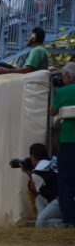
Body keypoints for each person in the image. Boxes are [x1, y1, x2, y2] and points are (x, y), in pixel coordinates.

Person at [51, 62, 75, 227]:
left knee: (66, 181)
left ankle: (69, 219)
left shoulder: (62, 91)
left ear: (67, 77)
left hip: (68, 141)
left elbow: (52, 111)